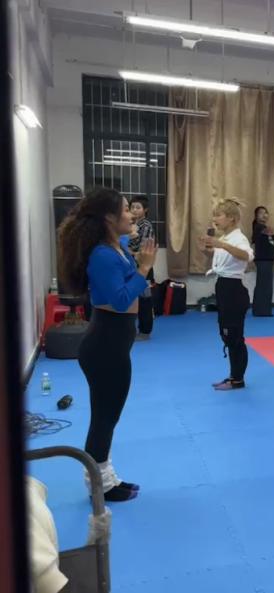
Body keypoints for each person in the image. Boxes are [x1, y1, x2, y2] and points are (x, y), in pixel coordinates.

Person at [57, 187, 155, 501]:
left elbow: (124, 264)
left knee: (109, 417)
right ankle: (98, 484)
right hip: (105, 346)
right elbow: (121, 298)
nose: (132, 214)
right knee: (104, 418)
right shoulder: (102, 255)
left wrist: (134, 251)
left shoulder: (115, 246)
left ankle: (106, 477)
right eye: (126, 209)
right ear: (109, 218)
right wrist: (144, 268)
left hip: (114, 344)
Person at [202, 199, 255, 391]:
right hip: (224, 286)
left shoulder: (238, 238)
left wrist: (220, 244)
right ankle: (234, 376)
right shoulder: (225, 238)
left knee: (234, 336)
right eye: (214, 215)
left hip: (234, 289)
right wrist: (207, 250)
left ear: (231, 218)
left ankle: (237, 379)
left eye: (218, 215)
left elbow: (246, 256)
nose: (215, 219)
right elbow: (221, 259)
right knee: (227, 334)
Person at [127, 196, 155, 339]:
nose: (134, 210)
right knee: (131, 298)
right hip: (130, 266)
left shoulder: (146, 225)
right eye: (132, 207)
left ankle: (145, 331)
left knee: (144, 299)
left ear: (145, 210)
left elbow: (144, 248)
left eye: (138, 207)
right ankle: (131, 329)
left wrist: (129, 251)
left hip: (144, 266)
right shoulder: (130, 224)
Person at [251, 206, 274, 317]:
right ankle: (262, 310)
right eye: (261, 213)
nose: (264, 215)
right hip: (263, 259)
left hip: (267, 259)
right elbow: (267, 233)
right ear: (256, 216)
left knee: (264, 284)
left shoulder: (265, 228)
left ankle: (260, 309)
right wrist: (270, 233)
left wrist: (272, 234)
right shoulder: (258, 227)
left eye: (266, 213)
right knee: (264, 285)